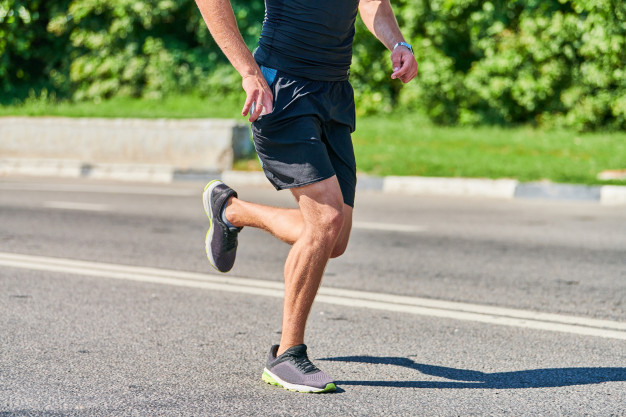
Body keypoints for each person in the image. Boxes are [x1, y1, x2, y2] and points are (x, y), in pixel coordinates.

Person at [195, 0, 418, 393]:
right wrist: (248, 70)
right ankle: (287, 354)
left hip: (334, 91)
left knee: (334, 239)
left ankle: (230, 210)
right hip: (281, 88)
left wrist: (399, 43)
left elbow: (371, 3)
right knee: (325, 220)